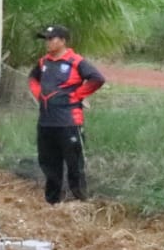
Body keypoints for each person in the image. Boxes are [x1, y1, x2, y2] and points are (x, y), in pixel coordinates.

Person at [29, 24, 106, 204]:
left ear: (63, 41)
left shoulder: (76, 61)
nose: (47, 43)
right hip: (47, 122)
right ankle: (53, 200)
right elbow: (32, 78)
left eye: (51, 38)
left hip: (69, 121)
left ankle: (79, 199)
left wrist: (77, 95)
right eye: (46, 39)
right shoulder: (43, 62)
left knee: (74, 163)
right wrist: (38, 94)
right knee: (49, 162)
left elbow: (97, 79)